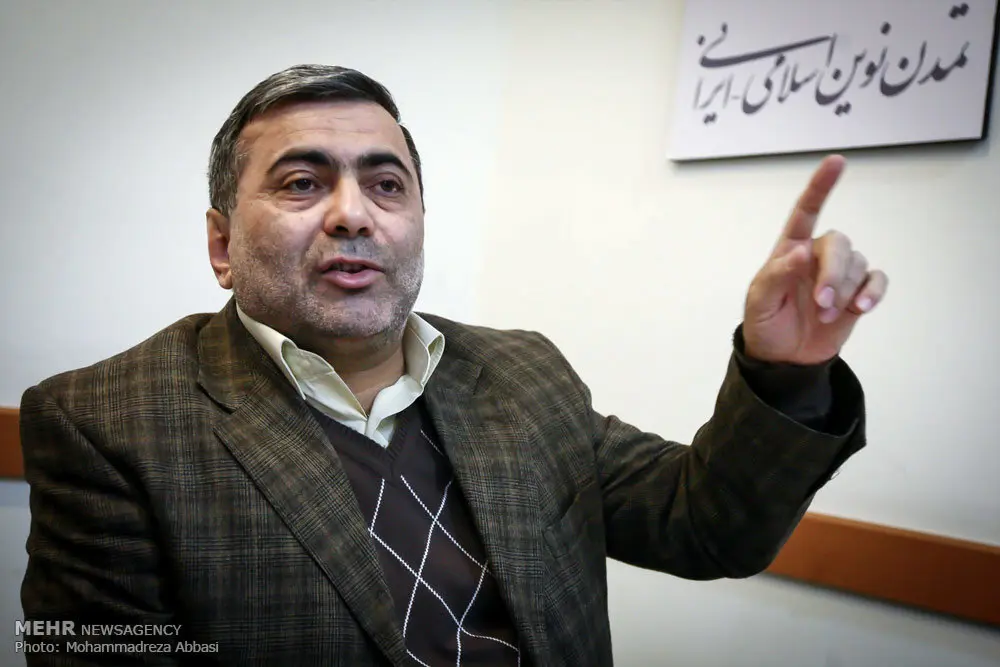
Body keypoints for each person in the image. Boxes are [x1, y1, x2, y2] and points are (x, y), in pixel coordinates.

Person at [19, 64, 887, 667]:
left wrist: (782, 371)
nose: (353, 214)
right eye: (302, 183)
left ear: (418, 223)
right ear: (221, 244)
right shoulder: (104, 423)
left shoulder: (523, 373)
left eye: (387, 184)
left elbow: (707, 527)